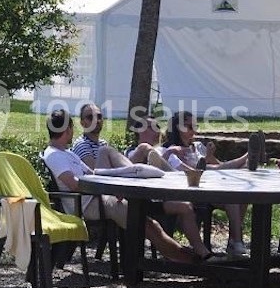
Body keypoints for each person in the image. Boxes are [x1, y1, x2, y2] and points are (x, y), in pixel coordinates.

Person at [42, 109, 206, 263]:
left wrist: (111, 186)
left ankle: (132, 174)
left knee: (105, 151)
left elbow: (92, 174)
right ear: (68, 129)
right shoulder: (55, 155)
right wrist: (108, 190)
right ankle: (189, 259)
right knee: (148, 225)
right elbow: (74, 185)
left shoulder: (67, 153)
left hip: (98, 197)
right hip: (89, 204)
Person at [149, 110, 250, 258]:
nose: (193, 130)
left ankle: (234, 241)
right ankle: (247, 156)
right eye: (189, 127)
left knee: (237, 198)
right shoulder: (168, 150)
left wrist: (209, 157)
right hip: (189, 189)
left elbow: (219, 165)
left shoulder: (197, 146)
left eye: (195, 126)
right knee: (213, 170)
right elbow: (183, 173)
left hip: (209, 187)